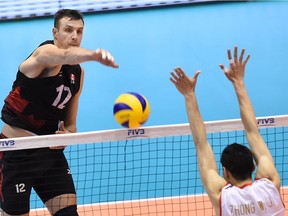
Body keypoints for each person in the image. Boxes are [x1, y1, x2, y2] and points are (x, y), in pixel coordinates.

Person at [0, 9, 118, 216]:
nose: (75, 36)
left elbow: (71, 124)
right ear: (55, 32)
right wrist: (94, 55)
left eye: (80, 32)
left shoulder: (78, 74)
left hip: (50, 155)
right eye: (68, 30)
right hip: (15, 155)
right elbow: (63, 55)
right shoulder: (44, 54)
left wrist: (68, 136)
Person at [169, 46, 285, 216]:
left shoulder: (222, 198)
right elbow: (253, 133)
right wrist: (239, 82)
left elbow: (201, 144)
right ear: (253, 166)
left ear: (226, 172)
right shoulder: (270, 184)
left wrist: (189, 95)